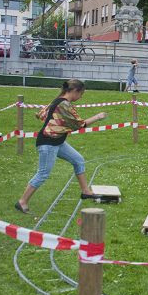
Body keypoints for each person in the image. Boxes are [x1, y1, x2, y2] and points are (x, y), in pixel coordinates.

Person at [15, 79, 107, 214]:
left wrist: (57, 124)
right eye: (81, 94)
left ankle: (86, 191)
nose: (80, 97)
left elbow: (41, 114)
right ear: (75, 91)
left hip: (57, 141)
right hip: (48, 143)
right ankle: (22, 202)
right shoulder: (63, 104)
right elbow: (79, 124)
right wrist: (98, 117)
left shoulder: (58, 100)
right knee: (43, 173)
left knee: (78, 160)